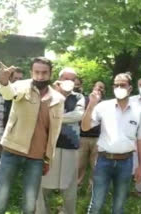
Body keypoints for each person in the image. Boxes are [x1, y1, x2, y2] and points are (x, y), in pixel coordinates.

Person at [0, 57, 65, 213]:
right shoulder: (20, 86)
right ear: (32, 72)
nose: (40, 76)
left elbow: (54, 132)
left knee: (29, 204)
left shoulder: (58, 99)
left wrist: (48, 158)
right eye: (37, 72)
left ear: (50, 73)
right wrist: (4, 82)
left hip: (36, 158)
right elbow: (8, 94)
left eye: (44, 73)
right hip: (12, 151)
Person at [81, 73, 141, 214]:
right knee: (96, 203)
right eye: (116, 85)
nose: (119, 87)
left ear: (130, 88)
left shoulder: (139, 111)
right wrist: (91, 105)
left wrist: (140, 166)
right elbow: (85, 127)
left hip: (126, 163)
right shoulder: (103, 106)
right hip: (103, 161)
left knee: (119, 205)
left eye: (122, 85)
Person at [36, 67, 85, 214]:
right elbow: (43, 112)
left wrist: (56, 119)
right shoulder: (48, 95)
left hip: (71, 145)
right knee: (43, 184)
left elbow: (79, 115)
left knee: (69, 186)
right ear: (59, 79)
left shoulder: (78, 97)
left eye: (72, 79)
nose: (69, 81)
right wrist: (57, 95)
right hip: (49, 146)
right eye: (66, 78)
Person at [77, 81, 105, 188]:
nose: (99, 89)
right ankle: (77, 185)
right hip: (82, 137)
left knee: (95, 165)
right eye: (97, 86)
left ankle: (92, 187)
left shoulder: (104, 104)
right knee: (79, 164)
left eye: (102, 87)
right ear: (93, 87)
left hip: (98, 138)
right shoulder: (84, 100)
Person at [0, 67, 23, 161]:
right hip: (3, 135)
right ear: (10, 78)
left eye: (20, 79)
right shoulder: (2, 98)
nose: (18, 81)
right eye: (16, 78)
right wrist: (1, 139)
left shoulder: (23, 95)